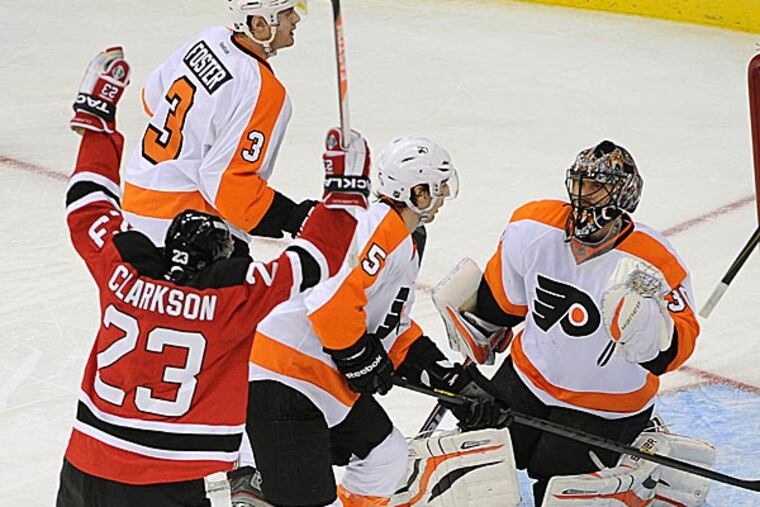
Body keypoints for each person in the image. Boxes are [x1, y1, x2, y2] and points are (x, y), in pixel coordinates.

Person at [58, 46, 364, 507]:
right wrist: (345, 195)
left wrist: (97, 120)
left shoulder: (121, 277)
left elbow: (87, 203)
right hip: (167, 485)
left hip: (85, 465)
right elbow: (314, 259)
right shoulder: (229, 304)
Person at [449, 140, 700, 505]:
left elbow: (675, 350)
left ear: (623, 195)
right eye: (580, 182)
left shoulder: (654, 262)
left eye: (596, 186)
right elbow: (503, 305)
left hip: (606, 408)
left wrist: (649, 333)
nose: (584, 193)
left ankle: (640, 446)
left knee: (557, 495)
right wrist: (475, 330)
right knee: (474, 477)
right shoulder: (531, 227)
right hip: (526, 380)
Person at [246, 136, 492, 506]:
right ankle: (249, 471)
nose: (443, 196)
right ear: (417, 192)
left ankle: (254, 469)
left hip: (320, 377)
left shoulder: (404, 240)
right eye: (438, 187)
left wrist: (451, 381)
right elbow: (329, 301)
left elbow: (394, 329)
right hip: (284, 373)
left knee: (386, 456)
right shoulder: (373, 225)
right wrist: (358, 356)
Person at [122, 0, 315, 246]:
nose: (296, 19)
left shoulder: (210, 38)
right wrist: (296, 218)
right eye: (287, 13)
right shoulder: (264, 90)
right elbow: (229, 185)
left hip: (134, 200)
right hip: (189, 227)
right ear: (259, 24)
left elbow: (151, 98)